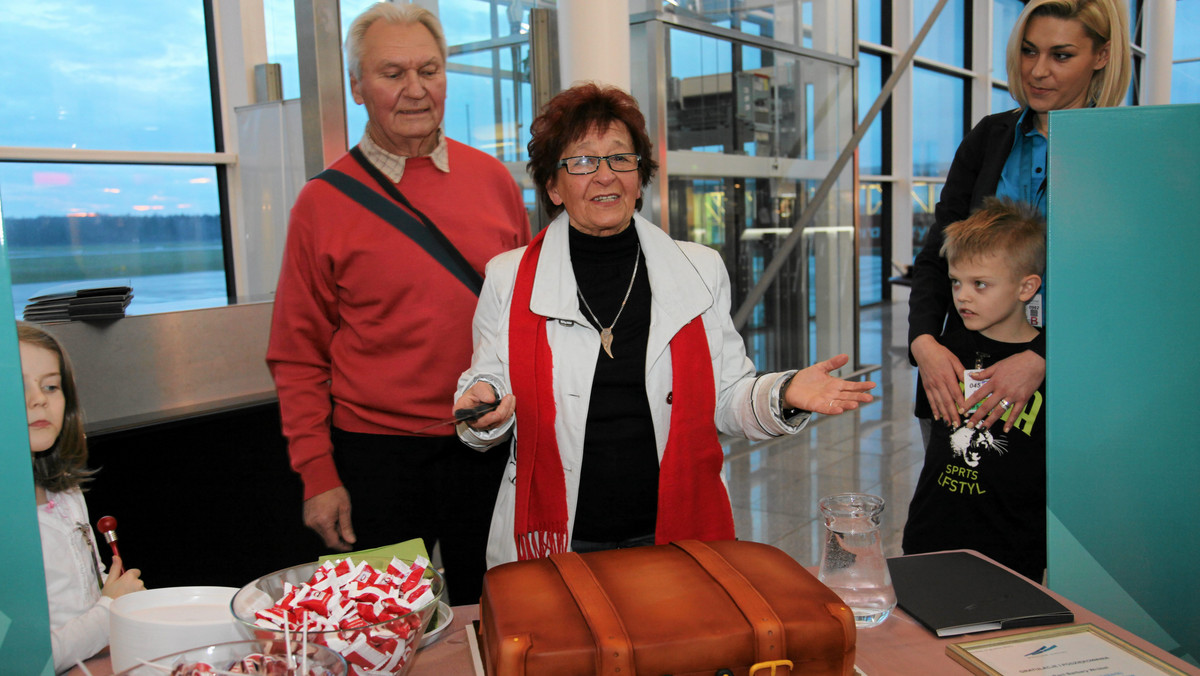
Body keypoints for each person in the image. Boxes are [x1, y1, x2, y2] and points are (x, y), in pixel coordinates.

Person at [452, 83, 876, 568]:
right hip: (559, 536)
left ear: (640, 173)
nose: (605, 175)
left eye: (620, 159)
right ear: (553, 185)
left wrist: (784, 393)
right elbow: (487, 385)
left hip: (670, 529)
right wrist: (481, 408)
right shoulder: (508, 277)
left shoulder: (698, 268)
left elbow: (726, 396)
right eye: (583, 161)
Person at [266, 2, 530, 604]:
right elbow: (296, 354)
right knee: (379, 630)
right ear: (357, 86)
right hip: (374, 461)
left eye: (429, 70)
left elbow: (525, 321)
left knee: (497, 618)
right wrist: (318, 475)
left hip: (486, 447)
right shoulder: (322, 204)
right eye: (392, 73)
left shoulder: (494, 182)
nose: (415, 89)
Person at [908, 0, 1129, 440]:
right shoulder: (988, 137)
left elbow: (1126, 284)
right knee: (955, 493)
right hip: (965, 369)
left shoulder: (1122, 152)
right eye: (1030, 51)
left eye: (1061, 55)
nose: (1038, 71)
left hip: (1078, 373)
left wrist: (1043, 357)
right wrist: (925, 344)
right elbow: (939, 252)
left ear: (1101, 57)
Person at [902, 198, 1047, 580]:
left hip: (1013, 546)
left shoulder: (1049, 367)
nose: (962, 296)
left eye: (980, 284)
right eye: (956, 282)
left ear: (1026, 287)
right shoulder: (945, 350)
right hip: (931, 535)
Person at [19, 322, 145, 672]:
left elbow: (87, 584)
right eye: (16, 385)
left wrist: (114, 594)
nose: (39, 398)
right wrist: (109, 612)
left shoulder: (65, 491)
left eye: (51, 386)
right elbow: (25, 658)